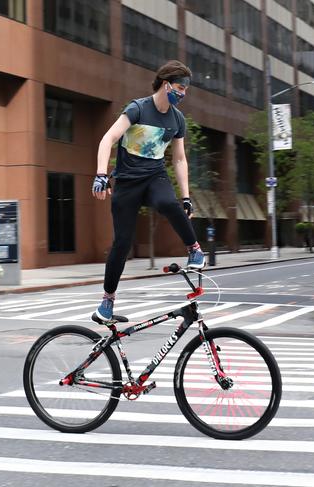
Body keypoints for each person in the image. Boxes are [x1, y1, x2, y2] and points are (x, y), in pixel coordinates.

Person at [91, 59, 205, 323]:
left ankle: (195, 250)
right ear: (166, 85)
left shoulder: (177, 120)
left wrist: (186, 196)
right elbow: (108, 138)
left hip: (155, 176)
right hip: (127, 182)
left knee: (168, 203)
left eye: (185, 90)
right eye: (179, 88)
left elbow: (179, 159)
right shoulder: (138, 109)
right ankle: (106, 303)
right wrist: (100, 174)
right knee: (121, 244)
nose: (183, 93)